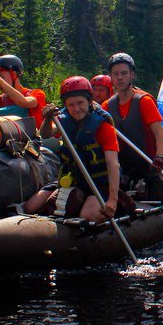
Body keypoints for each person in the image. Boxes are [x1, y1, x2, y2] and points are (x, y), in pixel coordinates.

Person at [23, 76, 124, 221]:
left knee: (87, 217)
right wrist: (48, 118)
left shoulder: (102, 125)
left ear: (90, 101)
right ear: (65, 105)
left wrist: (113, 199)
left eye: (80, 103)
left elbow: (112, 164)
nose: (76, 109)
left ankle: (114, 204)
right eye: (71, 105)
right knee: (30, 208)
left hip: (100, 183)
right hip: (74, 178)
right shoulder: (63, 119)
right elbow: (45, 134)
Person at [103, 52, 163, 200]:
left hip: (149, 166)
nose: (120, 77)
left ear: (132, 75)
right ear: (111, 77)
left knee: (157, 191)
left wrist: (159, 157)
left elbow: (160, 133)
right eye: (116, 74)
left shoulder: (144, 101)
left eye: (124, 73)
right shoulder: (107, 106)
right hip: (124, 168)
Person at [0, 54, 47, 131]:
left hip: (34, 141)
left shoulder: (37, 93)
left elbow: (23, 102)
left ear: (14, 74)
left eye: (1, 77)